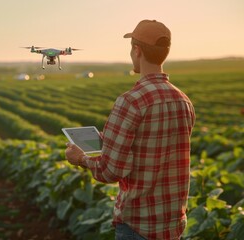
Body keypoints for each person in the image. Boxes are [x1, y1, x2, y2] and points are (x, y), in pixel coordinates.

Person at [65, 19, 196, 240]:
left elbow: (110, 171)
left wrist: (80, 158)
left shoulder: (131, 101)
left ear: (137, 51)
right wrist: (111, 141)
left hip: (138, 225)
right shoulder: (183, 101)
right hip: (172, 225)